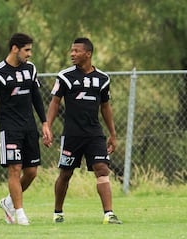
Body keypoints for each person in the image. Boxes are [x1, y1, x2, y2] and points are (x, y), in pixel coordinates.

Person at [44, 37, 122, 224]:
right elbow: (55, 102)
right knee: (66, 173)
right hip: (72, 134)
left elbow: (105, 107)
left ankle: (108, 214)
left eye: (76, 51)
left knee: (102, 169)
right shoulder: (65, 76)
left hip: (94, 134)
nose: (72, 54)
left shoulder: (102, 79)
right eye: (71, 51)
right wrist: (47, 126)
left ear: (88, 54)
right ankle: (58, 212)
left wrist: (112, 134)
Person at [0, 33, 51, 225]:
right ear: (15, 48)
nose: (30, 54)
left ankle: (8, 202)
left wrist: (44, 123)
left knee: (31, 172)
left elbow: (36, 97)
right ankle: (20, 213)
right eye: (27, 50)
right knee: (14, 169)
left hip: (29, 127)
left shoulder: (30, 69)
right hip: (9, 128)